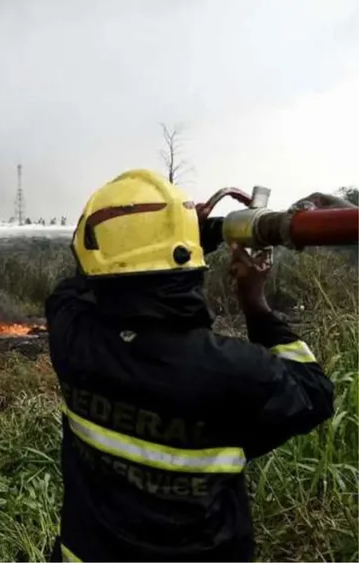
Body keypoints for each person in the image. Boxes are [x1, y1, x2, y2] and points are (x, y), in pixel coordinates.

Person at [45, 169, 336, 562]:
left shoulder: (71, 337)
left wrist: (175, 237)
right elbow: (315, 392)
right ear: (188, 262)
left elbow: (74, 284)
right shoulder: (236, 373)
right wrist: (256, 305)